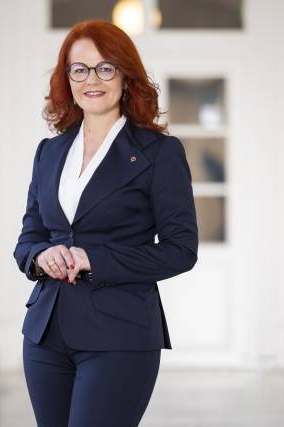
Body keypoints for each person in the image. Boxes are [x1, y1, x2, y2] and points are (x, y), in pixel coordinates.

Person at [13, 19, 199, 427]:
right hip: (45, 335)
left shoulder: (159, 153)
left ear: (126, 76)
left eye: (105, 68)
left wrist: (93, 259)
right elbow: (28, 238)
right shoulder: (49, 151)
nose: (91, 80)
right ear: (67, 79)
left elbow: (181, 250)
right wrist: (42, 256)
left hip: (120, 336)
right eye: (79, 69)